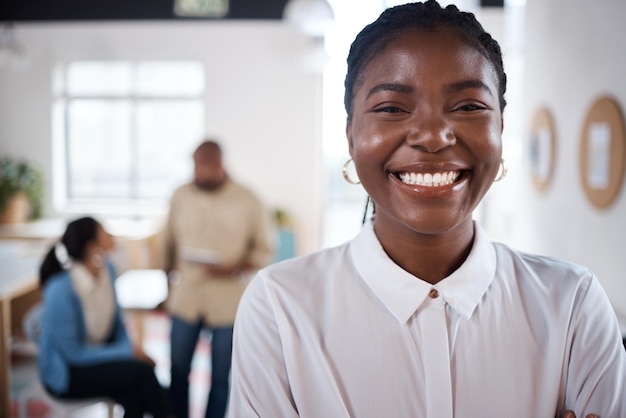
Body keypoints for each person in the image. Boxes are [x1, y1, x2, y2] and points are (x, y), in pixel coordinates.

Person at [227, 2, 626, 417]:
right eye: (392, 108)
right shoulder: (280, 307)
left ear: (500, 131)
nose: (433, 136)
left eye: (469, 106)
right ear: (351, 136)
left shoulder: (573, 306)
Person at [164, 140, 274, 418]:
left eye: (204, 166)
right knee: (177, 370)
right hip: (186, 297)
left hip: (229, 301)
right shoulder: (180, 196)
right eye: (195, 166)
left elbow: (264, 248)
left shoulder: (248, 199)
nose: (198, 173)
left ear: (220, 165)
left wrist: (235, 267)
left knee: (222, 377)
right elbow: (168, 245)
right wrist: (166, 288)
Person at [37, 216, 174, 418]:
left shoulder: (108, 271)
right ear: (92, 247)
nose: (112, 236)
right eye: (105, 233)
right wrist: (127, 352)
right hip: (69, 373)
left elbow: (118, 324)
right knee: (142, 374)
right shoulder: (61, 290)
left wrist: (130, 349)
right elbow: (74, 354)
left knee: (136, 393)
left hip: (97, 357)